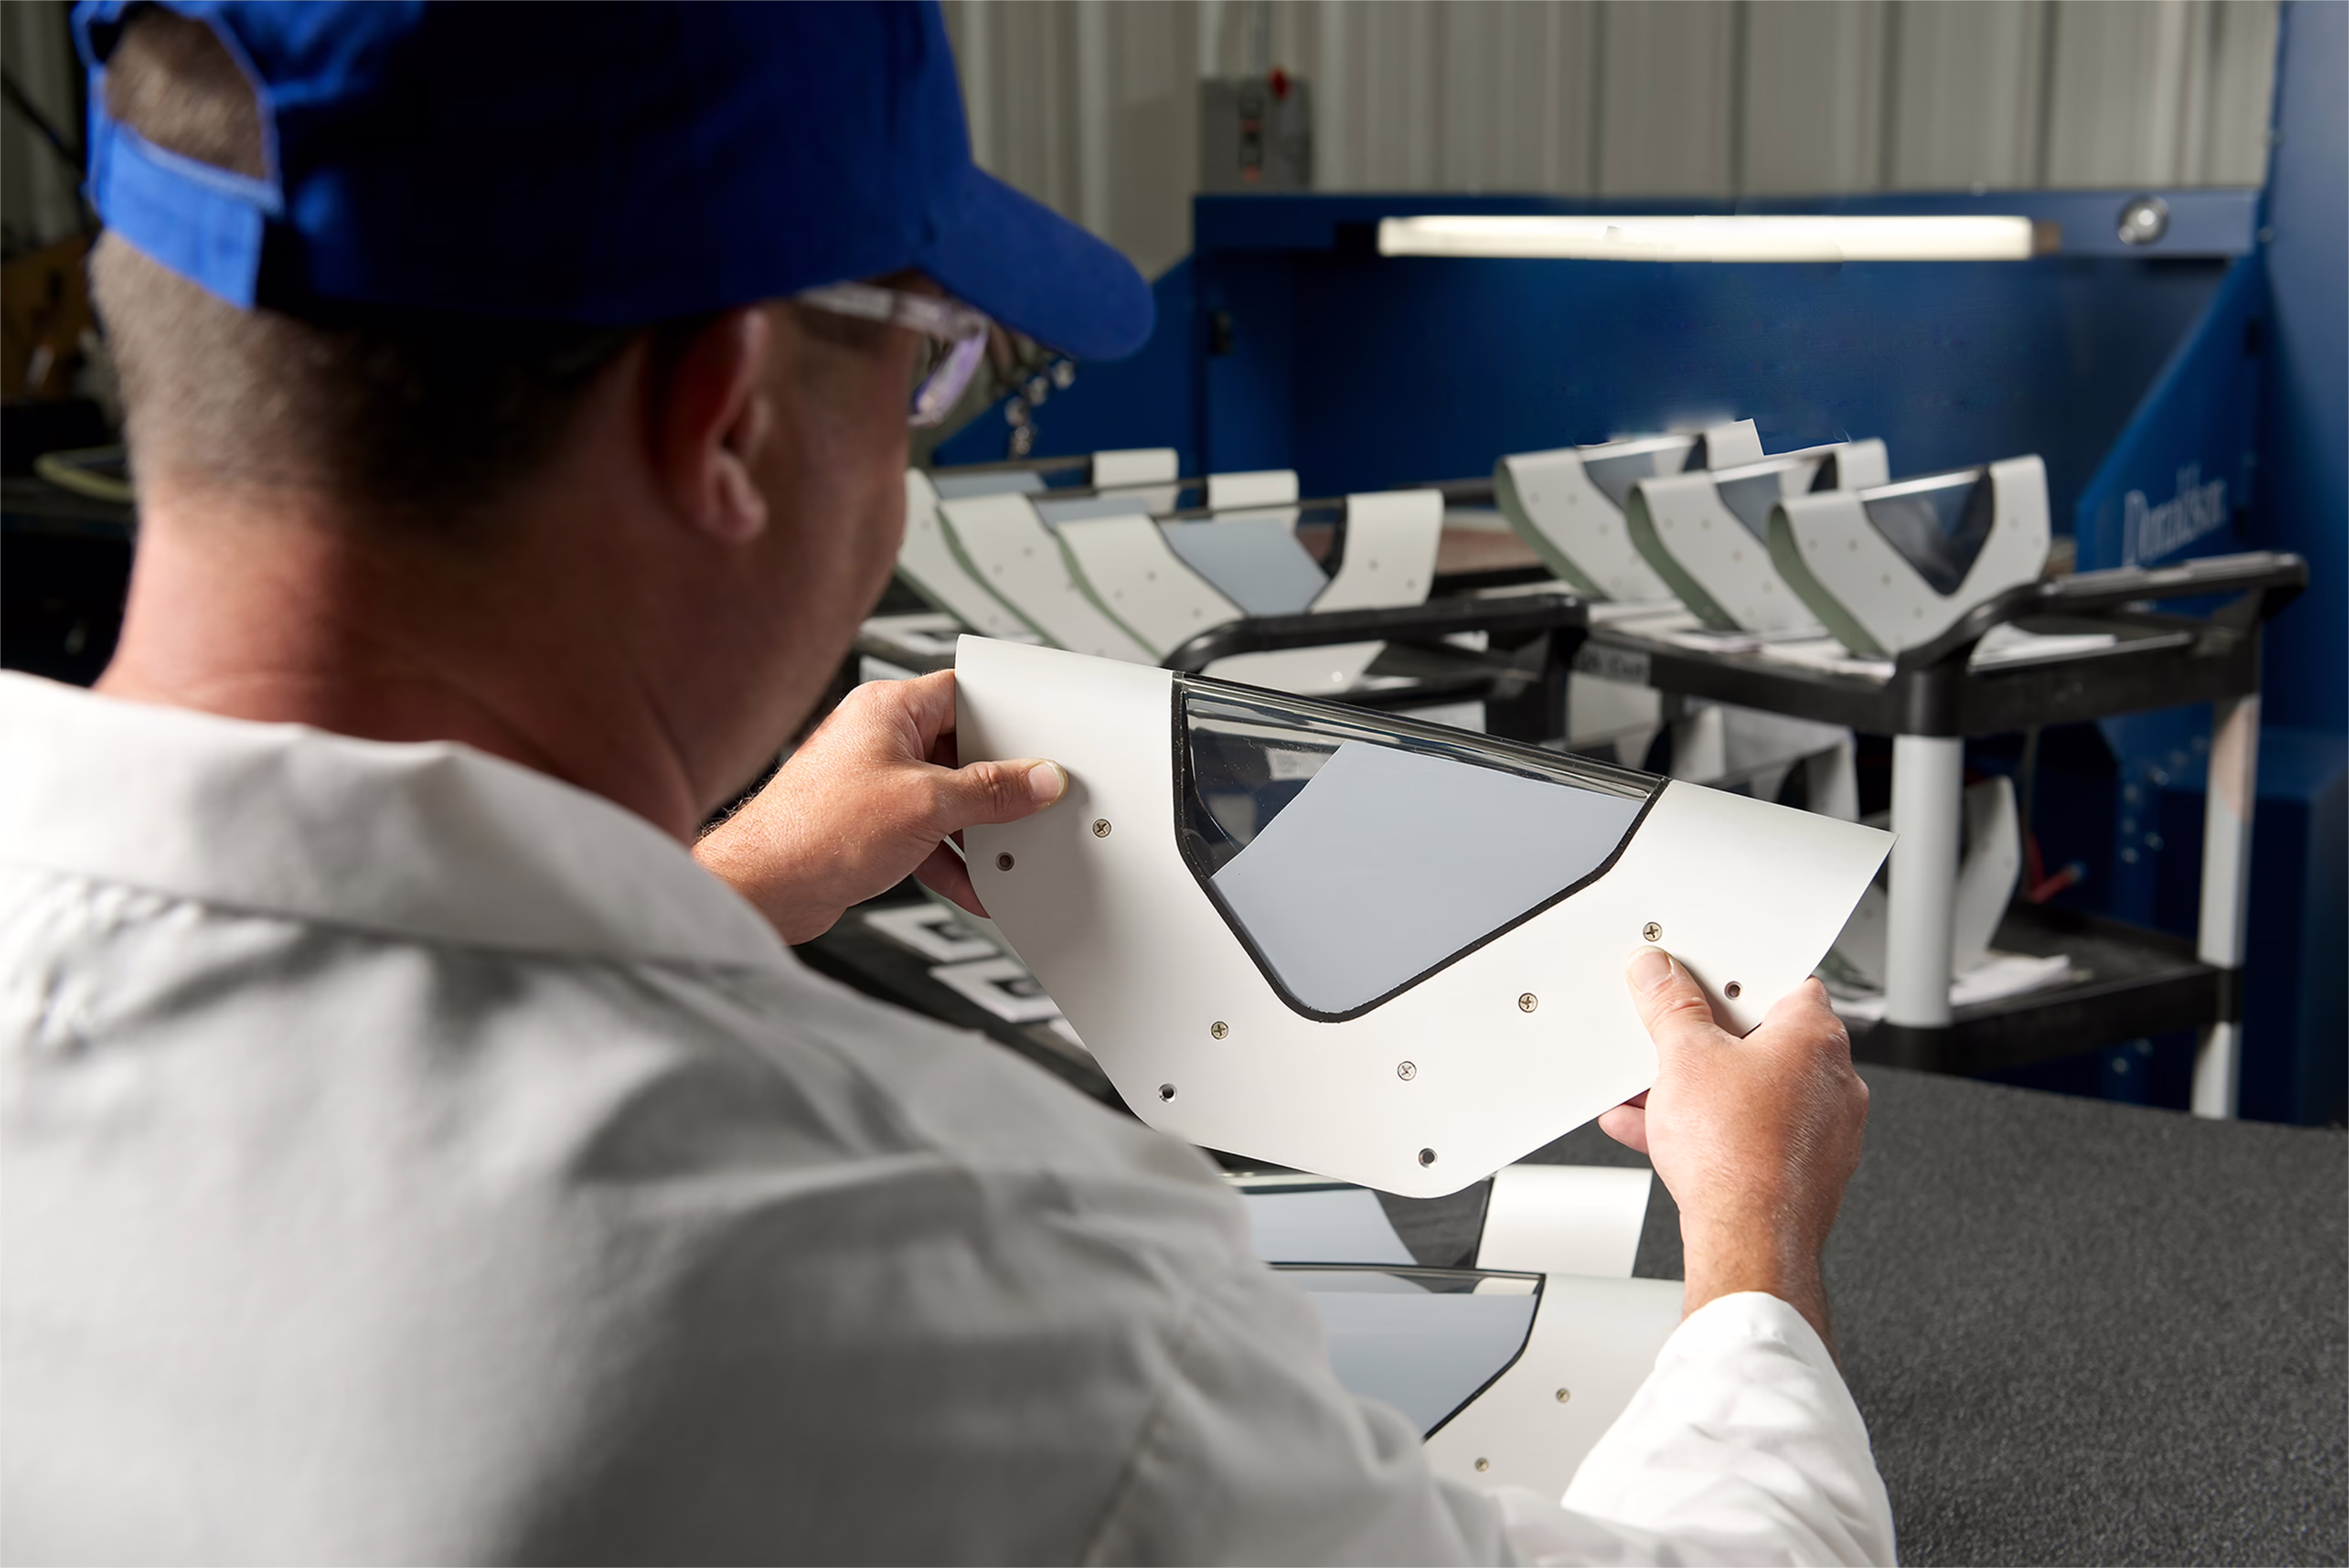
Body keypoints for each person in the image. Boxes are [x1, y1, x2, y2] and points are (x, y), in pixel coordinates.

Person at [0, 4, 1894, 1562]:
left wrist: (712, 888)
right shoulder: (949, 1273)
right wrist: (1752, 1238)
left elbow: (338, 1048)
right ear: (726, 418)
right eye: (927, 371)